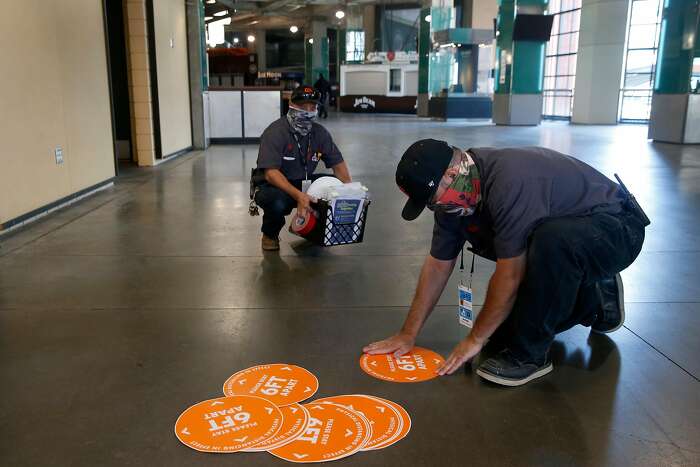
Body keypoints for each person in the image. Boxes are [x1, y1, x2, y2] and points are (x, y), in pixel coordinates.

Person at [363, 139, 647, 387]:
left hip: (616, 229)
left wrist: (474, 338)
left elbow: (509, 274)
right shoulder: (453, 199)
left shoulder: (510, 180)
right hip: (572, 232)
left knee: (552, 243)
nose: (434, 208)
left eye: (433, 199)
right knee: (502, 337)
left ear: (452, 174)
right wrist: (407, 333)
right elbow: (438, 265)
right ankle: (595, 295)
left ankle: (532, 356)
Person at [252, 85, 351, 251]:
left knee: (334, 185)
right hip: (274, 184)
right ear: (291, 104)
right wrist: (299, 196)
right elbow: (271, 174)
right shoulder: (275, 132)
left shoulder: (320, 133)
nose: (307, 110)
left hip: (303, 180)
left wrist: (349, 191)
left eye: (312, 107)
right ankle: (270, 234)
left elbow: (338, 164)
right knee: (276, 202)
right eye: (302, 106)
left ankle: (314, 230)